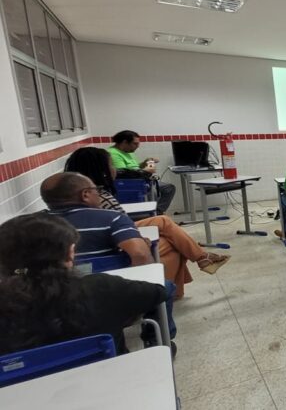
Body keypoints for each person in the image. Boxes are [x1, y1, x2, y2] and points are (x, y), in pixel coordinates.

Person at [63, 148, 230, 298]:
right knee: (171, 238)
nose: (115, 169)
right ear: (102, 171)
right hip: (117, 248)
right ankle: (188, 272)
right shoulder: (98, 197)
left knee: (165, 226)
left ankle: (191, 270)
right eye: (111, 165)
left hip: (110, 240)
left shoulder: (75, 195)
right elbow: (120, 228)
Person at [39, 172, 179, 347]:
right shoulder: (110, 218)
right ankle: (156, 341)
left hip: (50, 304)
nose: (100, 193)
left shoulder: (31, 225)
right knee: (164, 287)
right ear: (85, 194)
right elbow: (141, 255)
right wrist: (135, 298)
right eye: (96, 190)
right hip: (108, 294)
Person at [0, 213, 168, 355]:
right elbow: (159, 292)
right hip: (113, 385)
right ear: (69, 254)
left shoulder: (7, 307)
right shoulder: (101, 288)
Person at [107, 130, 176, 214]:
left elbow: (134, 167)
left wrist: (145, 163)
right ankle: (153, 214)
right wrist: (147, 170)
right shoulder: (113, 154)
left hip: (142, 179)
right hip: (130, 184)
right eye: (135, 144)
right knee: (155, 191)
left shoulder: (128, 151)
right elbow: (124, 174)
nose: (137, 146)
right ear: (124, 142)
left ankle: (158, 213)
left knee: (168, 188)